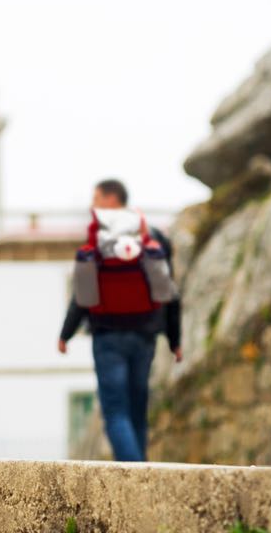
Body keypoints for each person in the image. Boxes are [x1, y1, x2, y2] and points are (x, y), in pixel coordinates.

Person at [58, 179, 182, 462]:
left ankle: (134, 473)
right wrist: (175, 339)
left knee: (116, 412)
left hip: (108, 336)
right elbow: (169, 291)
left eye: (96, 198)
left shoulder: (98, 239)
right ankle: (143, 471)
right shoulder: (152, 237)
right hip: (145, 335)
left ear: (111, 199)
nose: (93, 204)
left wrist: (66, 334)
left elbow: (82, 294)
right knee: (138, 409)